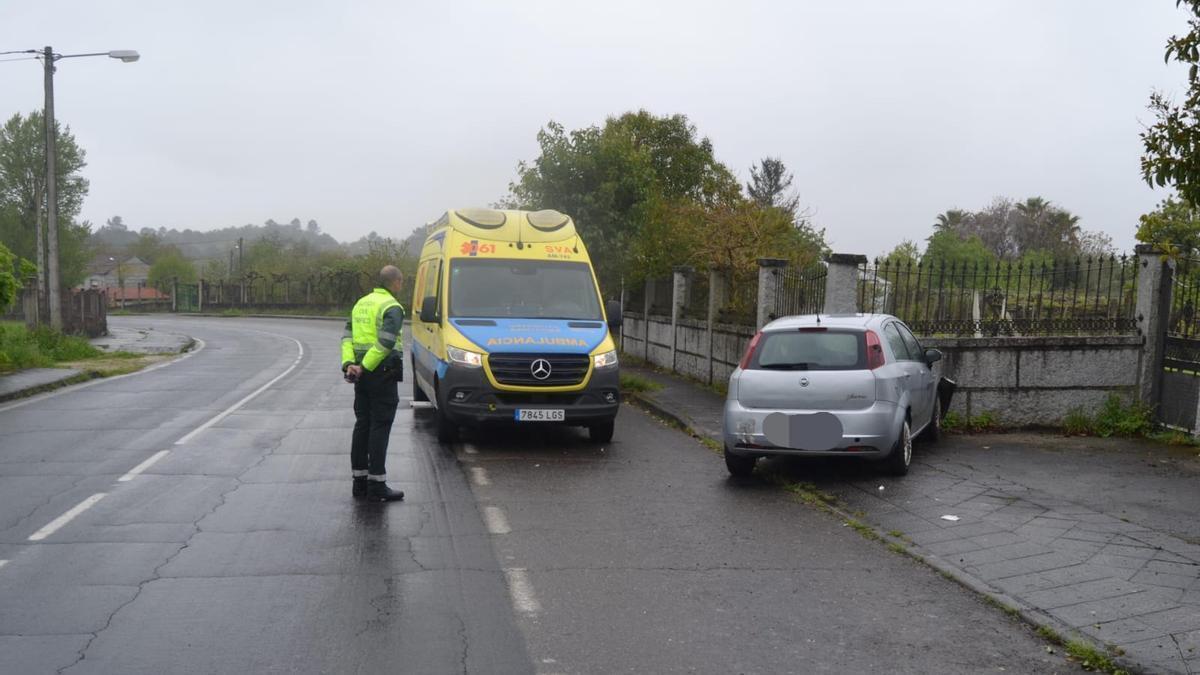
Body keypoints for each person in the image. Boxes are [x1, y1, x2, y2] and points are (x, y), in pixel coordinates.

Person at [341, 265, 407, 502]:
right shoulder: (392, 306)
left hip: (361, 375)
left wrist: (350, 364)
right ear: (396, 282)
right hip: (382, 372)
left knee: (363, 424)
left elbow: (347, 337)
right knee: (380, 425)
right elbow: (386, 342)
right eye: (401, 282)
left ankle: (359, 483)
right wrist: (366, 366)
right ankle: (377, 484)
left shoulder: (361, 304)